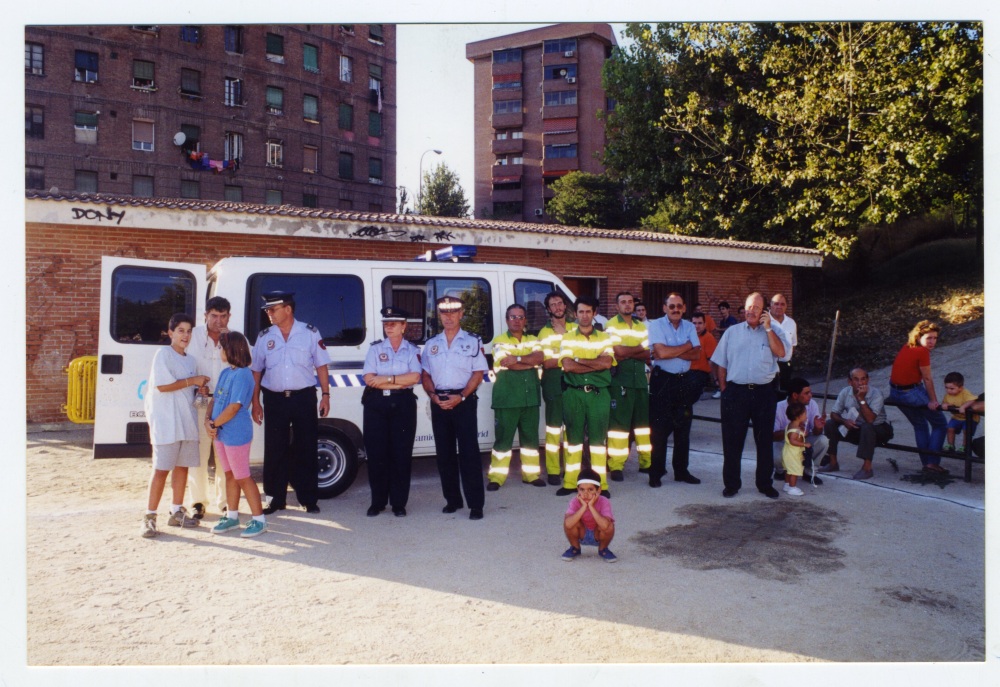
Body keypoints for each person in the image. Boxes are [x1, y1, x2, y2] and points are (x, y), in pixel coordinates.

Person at [250, 291, 331, 515]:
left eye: (273, 309)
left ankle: (308, 498)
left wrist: (325, 395)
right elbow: (256, 371)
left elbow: (322, 365)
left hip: (303, 397)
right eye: (267, 309)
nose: (269, 313)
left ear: (288, 309)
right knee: (275, 449)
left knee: (306, 447)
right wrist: (255, 402)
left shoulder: (310, 333)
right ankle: (275, 499)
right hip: (275, 400)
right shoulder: (265, 336)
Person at [710, 292, 791, 499]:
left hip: (764, 393)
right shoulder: (732, 332)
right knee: (732, 441)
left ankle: (764, 484)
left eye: (756, 308)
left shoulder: (774, 332)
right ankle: (731, 484)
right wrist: (724, 388)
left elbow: (782, 353)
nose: (751, 311)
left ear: (764, 311)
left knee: (764, 441)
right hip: (735, 393)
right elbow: (720, 362)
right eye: (748, 307)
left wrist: (769, 329)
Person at [140, 313, 210, 537]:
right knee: (161, 470)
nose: (185, 335)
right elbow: (162, 386)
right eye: (181, 330)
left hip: (186, 423)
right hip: (166, 423)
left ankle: (176, 512)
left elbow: (192, 398)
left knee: (182, 468)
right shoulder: (163, 354)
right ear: (170, 333)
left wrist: (201, 391)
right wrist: (193, 381)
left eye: (189, 331)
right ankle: (149, 517)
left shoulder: (191, 361)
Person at [421, 295, 488, 520]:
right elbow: (426, 374)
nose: (448, 317)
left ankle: (475, 505)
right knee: (444, 454)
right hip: (439, 402)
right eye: (444, 313)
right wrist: (432, 394)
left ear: (461, 314)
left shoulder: (472, 341)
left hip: (463, 403)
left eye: (453, 312)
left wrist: (461, 396)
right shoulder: (431, 345)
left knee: (469, 453)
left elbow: (478, 373)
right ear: (439, 315)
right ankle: (453, 500)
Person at [362, 307, 422, 517]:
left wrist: (388, 380)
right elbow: (369, 379)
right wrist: (399, 380)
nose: (389, 327)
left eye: (394, 323)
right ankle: (377, 502)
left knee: (401, 454)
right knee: (377, 454)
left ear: (404, 326)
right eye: (386, 323)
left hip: (403, 404)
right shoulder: (375, 349)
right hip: (376, 405)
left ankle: (398, 503)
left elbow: (415, 378)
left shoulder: (412, 350)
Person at [206, 331, 267, 537]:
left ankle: (259, 519)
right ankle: (232, 517)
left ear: (231, 349)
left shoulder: (243, 374)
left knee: (243, 476)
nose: (220, 351)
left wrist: (214, 423)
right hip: (221, 433)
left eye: (222, 347)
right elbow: (215, 399)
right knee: (229, 474)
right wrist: (208, 420)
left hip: (236, 434)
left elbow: (234, 407)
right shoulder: (225, 373)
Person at [557, 296, 616, 496]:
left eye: (588, 311)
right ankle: (570, 483)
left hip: (599, 395)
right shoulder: (567, 337)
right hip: (574, 395)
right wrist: (594, 362)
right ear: (575, 314)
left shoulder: (605, 338)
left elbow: (607, 363)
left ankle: (601, 486)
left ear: (594, 313)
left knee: (598, 442)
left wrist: (578, 360)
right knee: (573, 440)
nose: (584, 315)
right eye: (581, 311)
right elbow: (567, 366)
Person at [647, 293, 703, 487]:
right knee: (659, 430)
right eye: (671, 306)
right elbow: (660, 353)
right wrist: (686, 345)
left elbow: (697, 353)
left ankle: (681, 471)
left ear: (684, 308)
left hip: (684, 382)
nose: (675, 309)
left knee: (683, 428)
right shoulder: (656, 325)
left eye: (679, 306)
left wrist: (673, 350)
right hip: (662, 381)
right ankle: (656, 473)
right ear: (664, 308)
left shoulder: (689, 326)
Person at [487, 304, 545, 490]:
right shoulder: (499, 340)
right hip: (507, 399)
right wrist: (528, 362)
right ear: (506, 320)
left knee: (530, 439)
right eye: (513, 317)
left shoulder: (533, 339)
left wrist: (518, 359)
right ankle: (496, 477)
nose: (517, 320)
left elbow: (539, 358)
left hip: (530, 399)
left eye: (520, 317)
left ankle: (531, 475)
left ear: (525, 320)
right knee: (503, 440)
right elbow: (506, 363)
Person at [187, 296, 231, 519]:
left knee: (224, 455)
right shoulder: (192, 336)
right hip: (200, 400)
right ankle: (197, 502)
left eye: (223, 316)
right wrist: (194, 384)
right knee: (199, 454)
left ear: (229, 316)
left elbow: (246, 365)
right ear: (205, 315)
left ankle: (224, 502)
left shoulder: (234, 338)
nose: (218, 321)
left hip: (226, 403)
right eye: (214, 316)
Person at [888, 320, 948, 473]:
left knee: (920, 425)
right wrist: (933, 401)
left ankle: (926, 463)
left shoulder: (907, 346)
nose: (932, 342)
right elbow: (927, 379)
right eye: (929, 338)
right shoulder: (921, 351)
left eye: (935, 338)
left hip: (895, 392)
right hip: (909, 393)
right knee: (940, 424)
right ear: (919, 336)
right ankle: (932, 463)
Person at [606, 292, 652, 481]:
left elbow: (648, 353)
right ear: (617, 306)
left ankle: (646, 462)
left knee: (643, 425)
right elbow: (618, 351)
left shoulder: (642, 326)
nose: (627, 305)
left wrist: (628, 352)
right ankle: (616, 466)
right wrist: (637, 350)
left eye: (630, 302)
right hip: (621, 381)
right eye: (623, 302)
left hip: (640, 381)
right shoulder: (611, 325)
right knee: (619, 425)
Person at [820, 367, 894, 479]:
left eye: (863, 379)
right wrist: (844, 421)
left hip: (878, 429)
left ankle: (867, 468)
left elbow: (870, 419)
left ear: (867, 380)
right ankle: (833, 462)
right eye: (856, 379)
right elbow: (834, 413)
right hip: (856, 427)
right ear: (850, 381)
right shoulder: (845, 392)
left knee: (867, 427)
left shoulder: (876, 393)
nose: (860, 383)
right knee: (830, 423)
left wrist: (861, 399)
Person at [537, 292, 577, 486]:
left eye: (560, 303)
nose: (558, 307)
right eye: (553, 305)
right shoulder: (544, 333)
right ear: (548, 309)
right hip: (553, 384)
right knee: (553, 430)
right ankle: (553, 470)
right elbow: (547, 363)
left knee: (572, 430)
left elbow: (583, 353)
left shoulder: (576, 328)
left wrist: (564, 337)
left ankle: (572, 469)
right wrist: (569, 357)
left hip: (574, 384)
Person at [772, 377, 828, 485]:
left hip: (804, 441)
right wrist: (793, 430)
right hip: (786, 443)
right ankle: (781, 471)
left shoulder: (812, 404)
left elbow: (816, 433)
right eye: (806, 393)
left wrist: (818, 427)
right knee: (775, 453)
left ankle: (809, 472)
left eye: (810, 392)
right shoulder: (779, 408)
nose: (810, 396)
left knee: (823, 440)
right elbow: (773, 436)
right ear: (795, 395)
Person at [561, 467, 617, 563]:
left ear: (598, 490)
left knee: (609, 525)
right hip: (581, 532)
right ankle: (575, 547)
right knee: (570, 520)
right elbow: (568, 524)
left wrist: (591, 506)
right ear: (577, 489)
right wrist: (583, 507)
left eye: (590, 489)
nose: (585, 494)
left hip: (597, 533)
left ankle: (603, 549)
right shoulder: (575, 501)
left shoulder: (604, 501)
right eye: (582, 490)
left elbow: (605, 526)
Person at [942, 371, 979, 452]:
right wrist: (945, 405)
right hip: (957, 417)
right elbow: (944, 402)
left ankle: (965, 447)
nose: (949, 390)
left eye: (952, 388)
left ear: (960, 388)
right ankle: (950, 445)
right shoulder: (948, 395)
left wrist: (964, 406)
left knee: (966, 431)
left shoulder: (965, 393)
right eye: (946, 388)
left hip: (969, 418)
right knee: (949, 428)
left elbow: (973, 400)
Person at [769, 294, 797, 397]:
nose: (779, 307)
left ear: (786, 306)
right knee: (769, 397)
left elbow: (793, 344)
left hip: (785, 366)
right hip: (768, 365)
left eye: (782, 304)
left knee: (784, 396)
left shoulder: (791, 323)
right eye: (776, 304)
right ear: (770, 305)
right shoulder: (763, 321)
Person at [780, 402, 810, 497]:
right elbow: (793, 440)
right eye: (805, 413)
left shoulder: (792, 425)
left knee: (788, 470)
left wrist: (802, 434)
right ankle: (792, 488)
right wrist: (804, 444)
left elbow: (798, 434)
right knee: (794, 471)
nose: (806, 415)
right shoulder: (794, 430)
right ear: (799, 416)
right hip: (793, 454)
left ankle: (787, 484)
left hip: (788, 452)